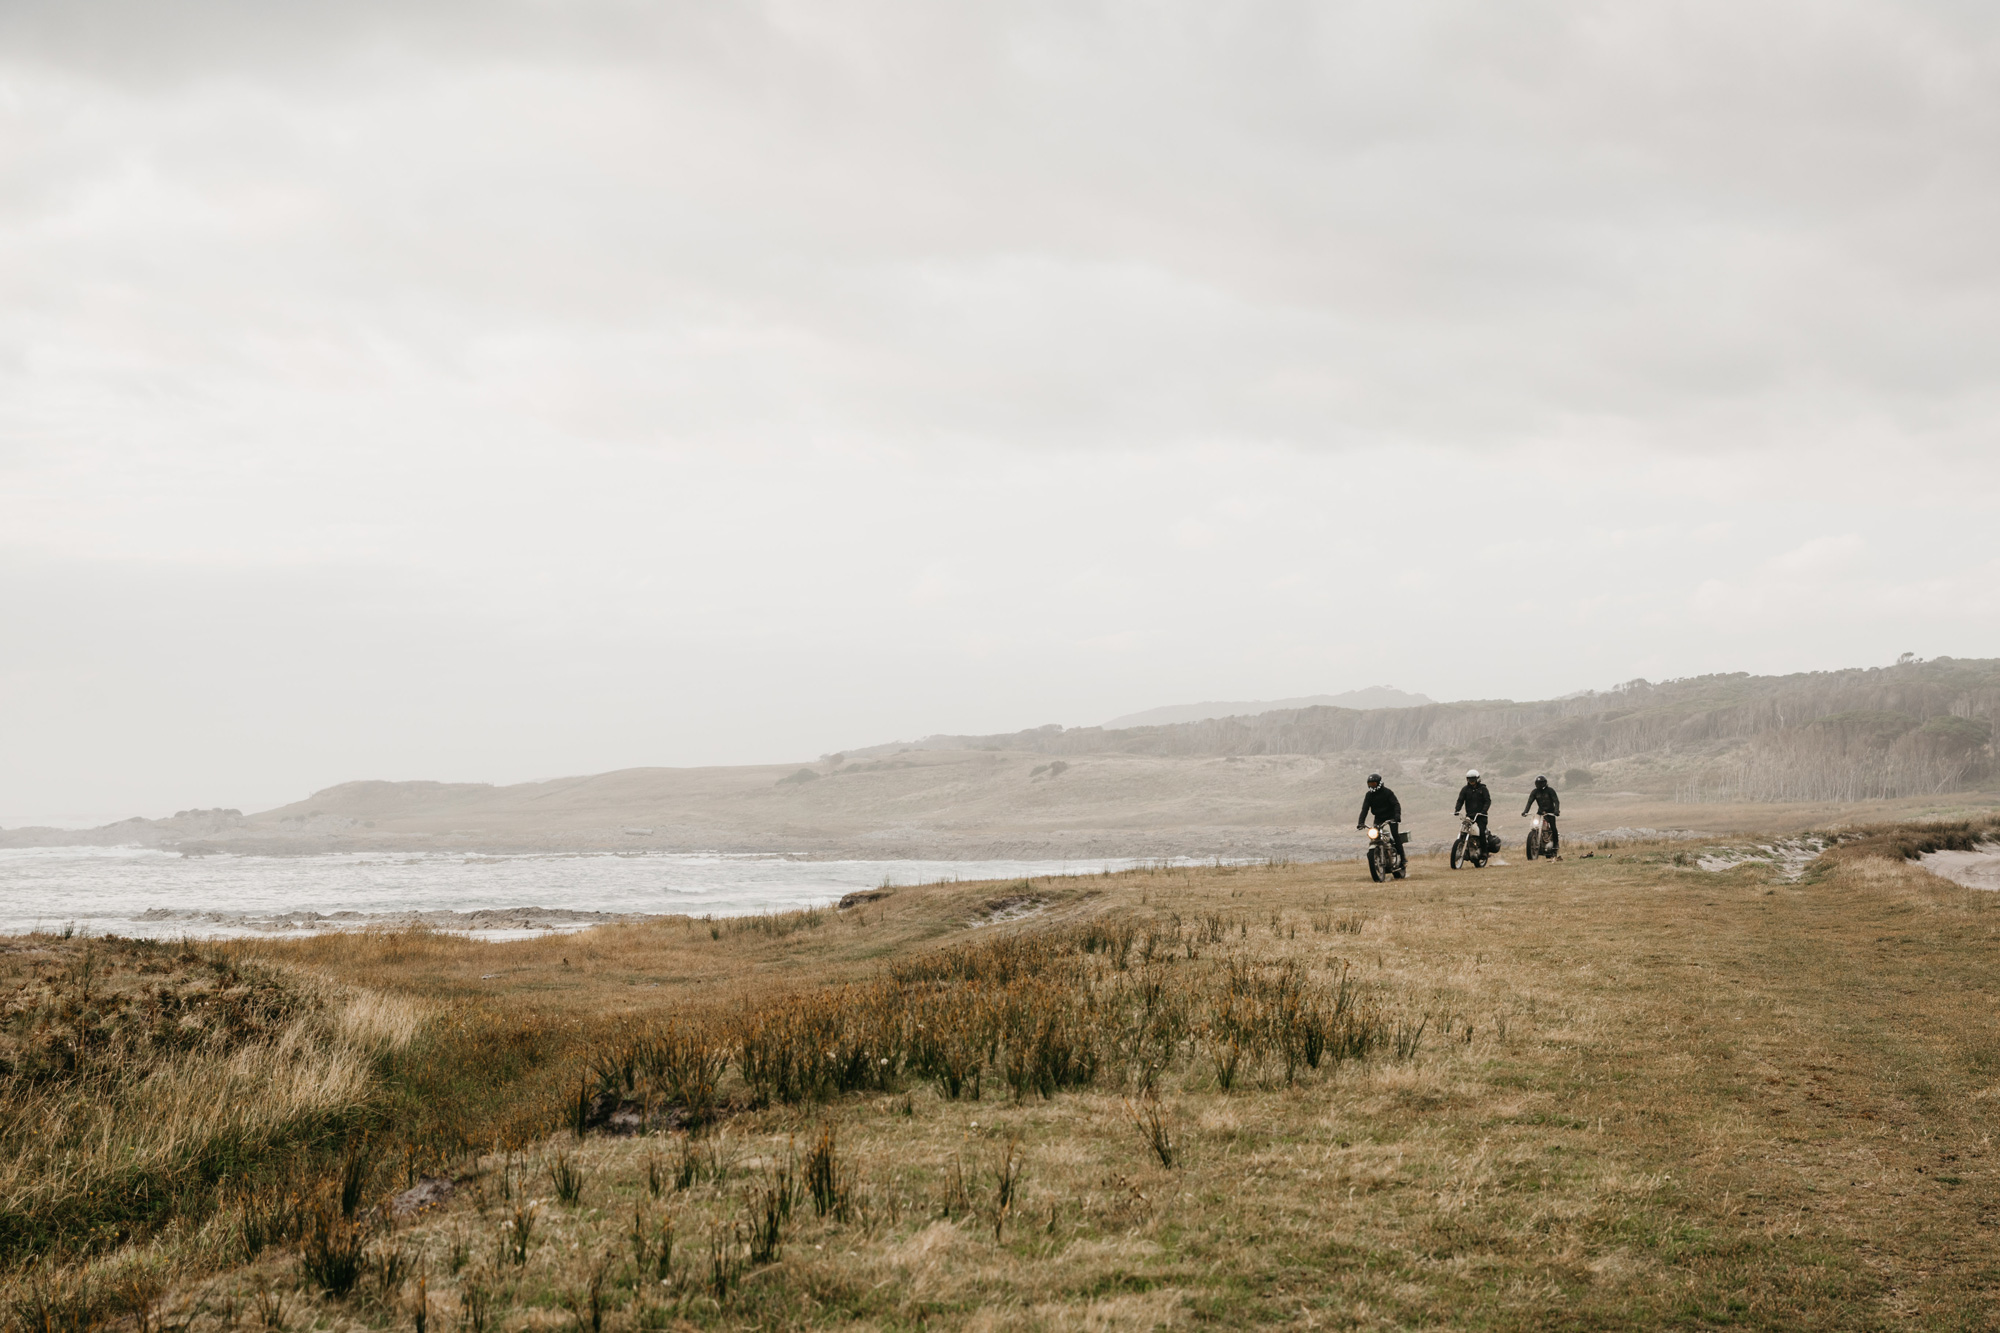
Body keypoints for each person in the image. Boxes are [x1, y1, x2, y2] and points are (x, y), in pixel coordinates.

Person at [1356, 773, 1403, 870]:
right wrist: (1360, 823)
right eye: (1370, 784)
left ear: (1379, 783)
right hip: (1379, 817)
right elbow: (1365, 809)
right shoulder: (1369, 795)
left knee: (1395, 835)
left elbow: (1396, 804)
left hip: (1391, 816)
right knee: (1375, 836)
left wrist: (1397, 816)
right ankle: (1378, 855)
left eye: (1373, 783)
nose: (1372, 786)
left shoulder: (1387, 792)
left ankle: (1402, 859)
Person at [1522, 774, 1561, 857]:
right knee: (1534, 825)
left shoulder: (1550, 790)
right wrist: (1525, 811)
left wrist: (1556, 811)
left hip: (1550, 812)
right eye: (1537, 783)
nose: (1539, 785)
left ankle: (1555, 845)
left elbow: (1556, 801)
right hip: (1540, 813)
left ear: (1544, 783)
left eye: (1540, 783)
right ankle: (1536, 839)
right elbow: (1529, 802)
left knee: (1553, 828)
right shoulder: (1535, 792)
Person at [1454, 768, 1491, 851]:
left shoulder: (1483, 789)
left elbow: (1487, 801)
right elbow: (1460, 800)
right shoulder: (1465, 789)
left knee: (1481, 832)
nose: (1471, 782)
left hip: (1481, 816)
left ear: (1477, 779)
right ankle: (1466, 848)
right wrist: (1457, 810)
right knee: (1464, 830)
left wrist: (1483, 811)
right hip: (1470, 816)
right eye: (1470, 780)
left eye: (1473, 780)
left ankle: (1484, 852)